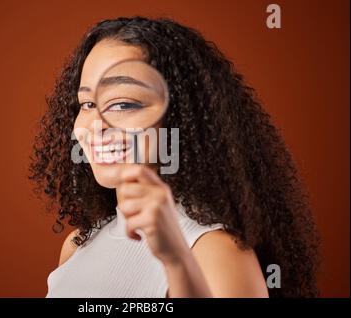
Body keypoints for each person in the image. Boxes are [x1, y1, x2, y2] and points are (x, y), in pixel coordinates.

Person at [30, 16, 319, 298]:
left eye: (122, 104)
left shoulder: (214, 251)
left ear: (179, 118)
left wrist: (176, 263)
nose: (95, 125)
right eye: (88, 103)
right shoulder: (78, 245)